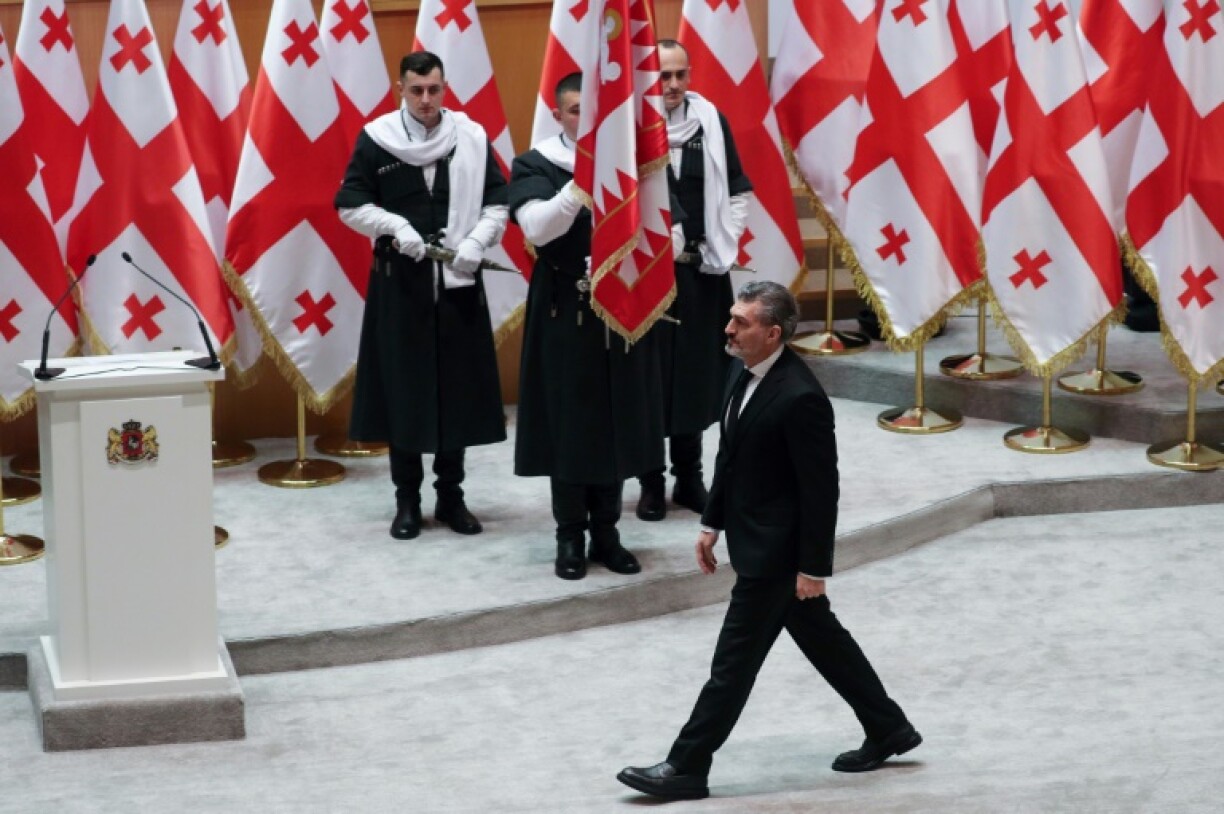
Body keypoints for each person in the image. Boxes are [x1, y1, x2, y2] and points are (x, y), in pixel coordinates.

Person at [618, 282, 920, 800]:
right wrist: (712, 522)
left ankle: (686, 766)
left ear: (773, 332)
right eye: (732, 318)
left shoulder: (801, 398)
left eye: (741, 321)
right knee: (825, 642)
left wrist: (813, 568)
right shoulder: (743, 371)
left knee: (731, 666)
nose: (728, 328)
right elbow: (730, 457)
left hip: (777, 555)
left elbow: (821, 492)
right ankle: (889, 727)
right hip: (752, 537)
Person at [335, 51, 508, 541]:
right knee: (404, 392)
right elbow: (349, 203)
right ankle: (407, 500)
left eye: (434, 90)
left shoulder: (471, 137)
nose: (426, 100)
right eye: (417, 91)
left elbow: (498, 201)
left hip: (458, 281)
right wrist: (393, 226)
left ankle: (451, 497)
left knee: (457, 392)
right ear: (401, 89)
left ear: (444, 87)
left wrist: (476, 242)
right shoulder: (377, 138)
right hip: (401, 285)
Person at [508, 73, 668, 580]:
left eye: (595, 111)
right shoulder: (535, 164)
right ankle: (569, 535)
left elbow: (671, 225)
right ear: (559, 115)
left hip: (623, 310)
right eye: (577, 110)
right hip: (565, 312)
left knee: (618, 422)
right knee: (570, 427)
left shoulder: (634, 164)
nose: (587, 120)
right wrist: (582, 185)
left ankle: (608, 532)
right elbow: (535, 228)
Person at [636, 39, 754, 523]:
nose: (674, 85)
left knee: (697, 376)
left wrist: (726, 244)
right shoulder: (633, 125)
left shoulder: (710, 119)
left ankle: (689, 476)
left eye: (681, 74)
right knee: (650, 378)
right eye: (664, 76)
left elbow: (738, 188)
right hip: (648, 276)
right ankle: (650, 482)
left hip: (703, 272)